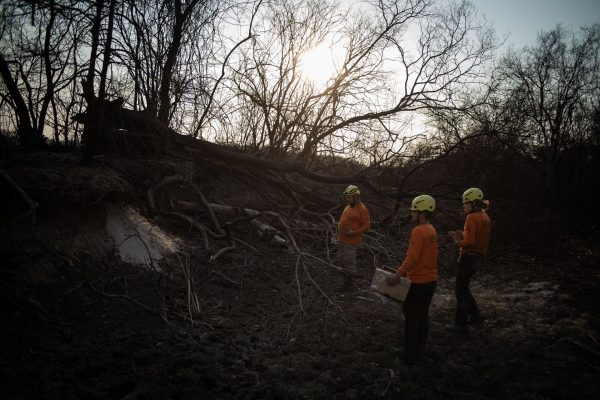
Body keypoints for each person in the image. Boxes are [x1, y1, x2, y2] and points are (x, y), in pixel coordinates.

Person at [387, 195, 438, 366]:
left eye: (414, 211)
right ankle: (419, 352)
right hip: (431, 281)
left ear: (422, 213)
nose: (412, 214)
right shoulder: (431, 230)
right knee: (423, 317)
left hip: (417, 283)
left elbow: (412, 258)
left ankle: (409, 356)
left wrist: (398, 274)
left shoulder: (418, 231)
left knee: (411, 318)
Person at [446, 187, 491, 333]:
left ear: (474, 203)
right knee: (464, 289)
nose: (464, 206)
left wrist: (457, 241)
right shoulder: (485, 217)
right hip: (478, 257)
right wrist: (462, 233)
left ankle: (460, 324)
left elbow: (470, 242)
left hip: (468, 257)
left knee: (460, 290)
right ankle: (476, 316)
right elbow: (476, 237)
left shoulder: (471, 217)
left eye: (466, 203)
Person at [337, 185, 371, 291]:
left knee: (349, 262)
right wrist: (337, 234)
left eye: (349, 197)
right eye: (346, 197)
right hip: (342, 240)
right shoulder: (348, 206)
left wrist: (353, 232)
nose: (347, 199)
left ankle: (349, 285)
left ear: (356, 197)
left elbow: (367, 226)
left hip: (351, 241)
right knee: (342, 261)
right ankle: (344, 283)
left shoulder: (362, 209)